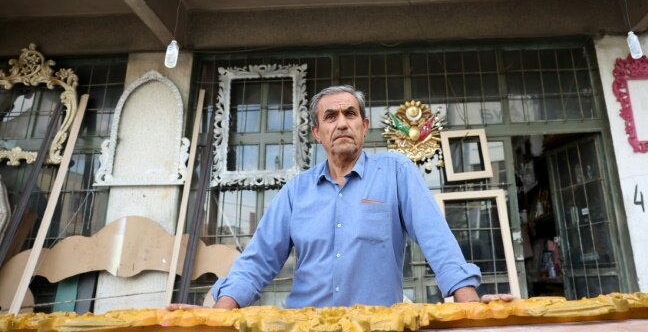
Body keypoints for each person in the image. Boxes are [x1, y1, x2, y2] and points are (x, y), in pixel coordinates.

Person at [172, 85, 513, 310]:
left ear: (365, 126)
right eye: (330, 117)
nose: (342, 123)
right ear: (317, 133)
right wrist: (219, 313)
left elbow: (436, 238)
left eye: (350, 114)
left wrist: (469, 304)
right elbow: (258, 260)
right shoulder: (296, 192)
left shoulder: (395, 173)